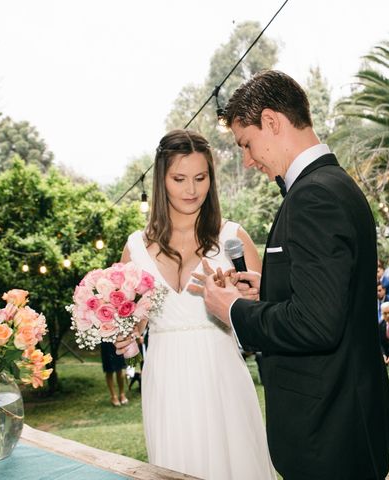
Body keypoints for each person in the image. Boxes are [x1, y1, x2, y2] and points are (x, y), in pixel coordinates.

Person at [188, 71, 389, 480]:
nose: (248, 160)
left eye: (246, 143)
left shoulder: (313, 197)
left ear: (272, 122)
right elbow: (337, 294)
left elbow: (317, 325)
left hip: (327, 432)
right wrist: (270, 289)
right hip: (348, 420)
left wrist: (232, 311)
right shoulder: (337, 185)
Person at [116, 129, 275, 479]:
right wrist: (124, 333)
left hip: (221, 376)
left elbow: (266, 320)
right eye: (179, 179)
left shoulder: (233, 238)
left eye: (200, 178)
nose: (191, 190)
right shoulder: (135, 249)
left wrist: (248, 304)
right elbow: (132, 323)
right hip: (165, 378)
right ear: (161, 179)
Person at [100, 342, 128, 407]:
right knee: (109, 371)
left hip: (118, 343)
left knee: (119, 370)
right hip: (106, 344)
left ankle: (122, 394)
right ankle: (113, 396)